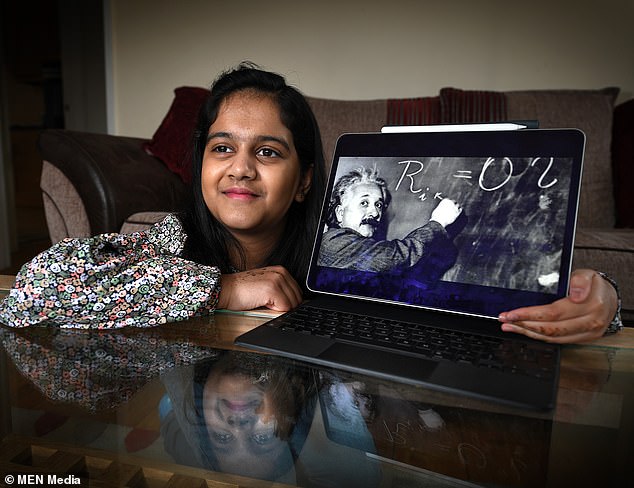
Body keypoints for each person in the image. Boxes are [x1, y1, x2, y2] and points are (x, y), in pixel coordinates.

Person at [0, 63, 622, 343]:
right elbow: (32, 292)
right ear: (202, 166)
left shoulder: (333, 252)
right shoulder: (171, 241)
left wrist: (603, 303)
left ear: (303, 182)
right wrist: (220, 290)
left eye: (268, 152)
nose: (241, 167)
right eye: (222, 148)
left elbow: (470, 310)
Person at [317, 166, 462, 274]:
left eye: (378, 205)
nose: (375, 212)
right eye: (364, 203)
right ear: (340, 213)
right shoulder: (333, 243)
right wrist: (438, 222)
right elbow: (398, 256)